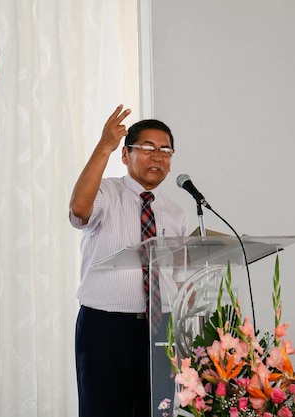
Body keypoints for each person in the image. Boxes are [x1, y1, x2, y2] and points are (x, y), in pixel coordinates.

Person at [69, 105, 190, 417]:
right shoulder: (106, 193)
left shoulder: (175, 213)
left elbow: (176, 277)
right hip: (106, 327)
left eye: (165, 150)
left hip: (158, 328)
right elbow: (79, 209)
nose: (158, 157)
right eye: (147, 148)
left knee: (156, 411)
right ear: (125, 155)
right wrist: (103, 147)